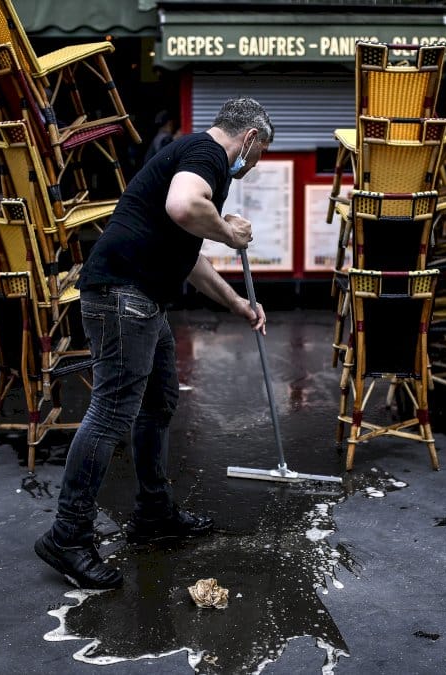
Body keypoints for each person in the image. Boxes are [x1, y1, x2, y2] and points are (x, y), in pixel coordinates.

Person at [35, 97, 274, 589]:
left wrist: (238, 304)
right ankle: (68, 534)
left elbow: (185, 256)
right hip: (124, 296)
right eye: (260, 153)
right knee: (111, 413)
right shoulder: (207, 156)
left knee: (157, 404)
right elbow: (184, 206)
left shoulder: (191, 159)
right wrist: (229, 233)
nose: (255, 165)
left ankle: (153, 514)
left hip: (140, 298)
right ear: (249, 139)